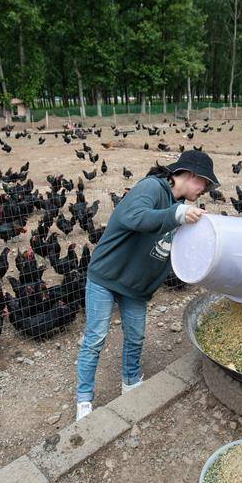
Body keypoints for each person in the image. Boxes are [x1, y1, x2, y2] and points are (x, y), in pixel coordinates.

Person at [75, 150, 218, 420]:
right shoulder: (152, 188)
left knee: (136, 336)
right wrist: (177, 214)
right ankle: (84, 400)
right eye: (204, 183)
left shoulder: (183, 212)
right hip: (106, 276)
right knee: (95, 338)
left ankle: (130, 383)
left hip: (136, 286)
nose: (206, 190)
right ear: (190, 175)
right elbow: (135, 217)